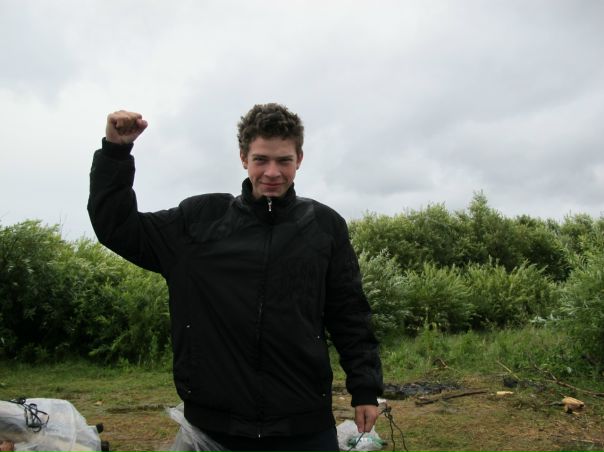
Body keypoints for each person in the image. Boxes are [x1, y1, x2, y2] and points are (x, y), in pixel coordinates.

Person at [88, 103, 383, 452]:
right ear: (243, 158)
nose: (272, 172)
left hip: (303, 423)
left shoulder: (324, 227)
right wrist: (116, 152)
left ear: (299, 159)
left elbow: (349, 313)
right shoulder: (199, 221)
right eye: (261, 160)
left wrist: (365, 388)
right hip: (214, 426)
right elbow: (117, 227)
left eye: (284, 160)